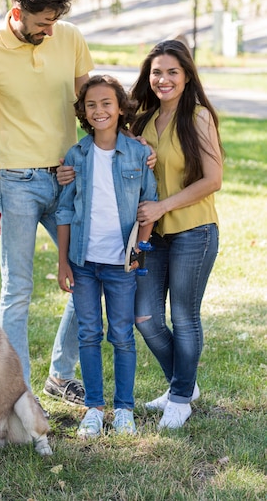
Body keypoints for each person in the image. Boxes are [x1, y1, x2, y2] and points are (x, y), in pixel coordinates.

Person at [0, 0, 94, 402]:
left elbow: (91, 108)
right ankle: (20, 396)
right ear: (17, 12)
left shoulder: (69, 37)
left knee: (89, 275)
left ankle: (60, 374)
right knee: (17, 291)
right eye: (41, 25)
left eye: (54, 22)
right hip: (17, 183)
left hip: (68, 178)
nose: (49, 31)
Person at [56, 75, 157, 438]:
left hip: (121, 264)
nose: (99, 110)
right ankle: (94, 408)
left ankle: (124, 408)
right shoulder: (76, 155)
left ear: (120, 108)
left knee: (121, 335)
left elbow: (148, 206)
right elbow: (65, 211)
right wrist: (62, 260)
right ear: (83, 111)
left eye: (107, 104)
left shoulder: (138, 154)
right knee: (87, 334)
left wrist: (138, 252)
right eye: (91, 105)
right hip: (83, 264)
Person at [130, 39, 223, 429]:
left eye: (171, 72)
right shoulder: (145, 120)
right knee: (146, 318)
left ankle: (181, 397)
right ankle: (184, 383)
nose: (163, 79)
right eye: (156, 72)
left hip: (193, 231)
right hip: (155, 235)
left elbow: (213, 179)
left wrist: (163, 206)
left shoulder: (197, 116)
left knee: (184, 317)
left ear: (186, 76)